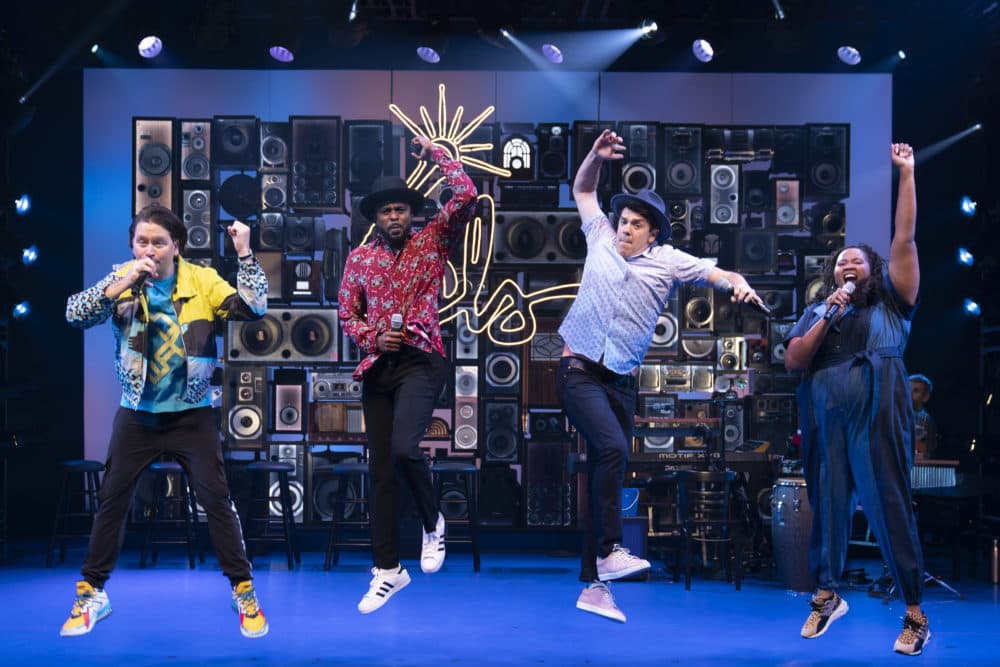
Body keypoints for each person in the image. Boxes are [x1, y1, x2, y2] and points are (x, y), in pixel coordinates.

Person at [559, 129, 766, 623]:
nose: (625, 229)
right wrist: (594, 156)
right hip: (579, 370)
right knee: (611, 450)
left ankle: (593, 586)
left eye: (636, 224)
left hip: (622, 382)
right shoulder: (600, 238)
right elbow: (583, 191)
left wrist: (739, 284)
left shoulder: (670, 262)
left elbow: (720, 275)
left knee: (604, 470)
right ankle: (610, 552)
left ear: (653, 232)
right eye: (623, 220)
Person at [62, 205, 269, 638]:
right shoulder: (123, 278)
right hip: (137, 414)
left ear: (176, 245)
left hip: (191, 415)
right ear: (132, 246)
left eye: (159, 242)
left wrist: (245, 255)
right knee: (112, 501)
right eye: (142, 241)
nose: (150, 249)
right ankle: (91, 594)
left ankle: (243, 590)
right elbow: (76, 314)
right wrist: (124, 282)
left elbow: (253, 308)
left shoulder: (202, 280)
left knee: (216, 500)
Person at [784, 143, 929, 655]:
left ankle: (913, 612)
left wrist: (906, 174)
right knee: (827, 499)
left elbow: (904, 236)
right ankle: (827, 596)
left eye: (858, 260)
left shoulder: (892, 301)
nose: (848, 262)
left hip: (876, 404)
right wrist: (828, 312)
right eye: (841, 261)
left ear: (874, 269)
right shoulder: (821, 309)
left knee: (887, 501)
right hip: (826, 411)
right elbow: (795, 361)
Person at [339, 135, 477, 614]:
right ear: (375, 218)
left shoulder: (432, 240)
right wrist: (372, 338)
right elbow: (346, 313)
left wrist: (436, 154)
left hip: (422, 358)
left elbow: (465, 195)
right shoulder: (359, 259)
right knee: (380, 470)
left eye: (400, 209)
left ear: (410, 213)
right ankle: (388, 571)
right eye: (386, 212)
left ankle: (433, 520)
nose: (394, 217)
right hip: (379, 365)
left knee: (403, 448)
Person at [909, 374, 938, 459]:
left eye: (916, 390)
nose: (909, 393)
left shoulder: (925, 420)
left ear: (925, 397)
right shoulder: (897, 417)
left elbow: (923, 454)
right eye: (907, 389)